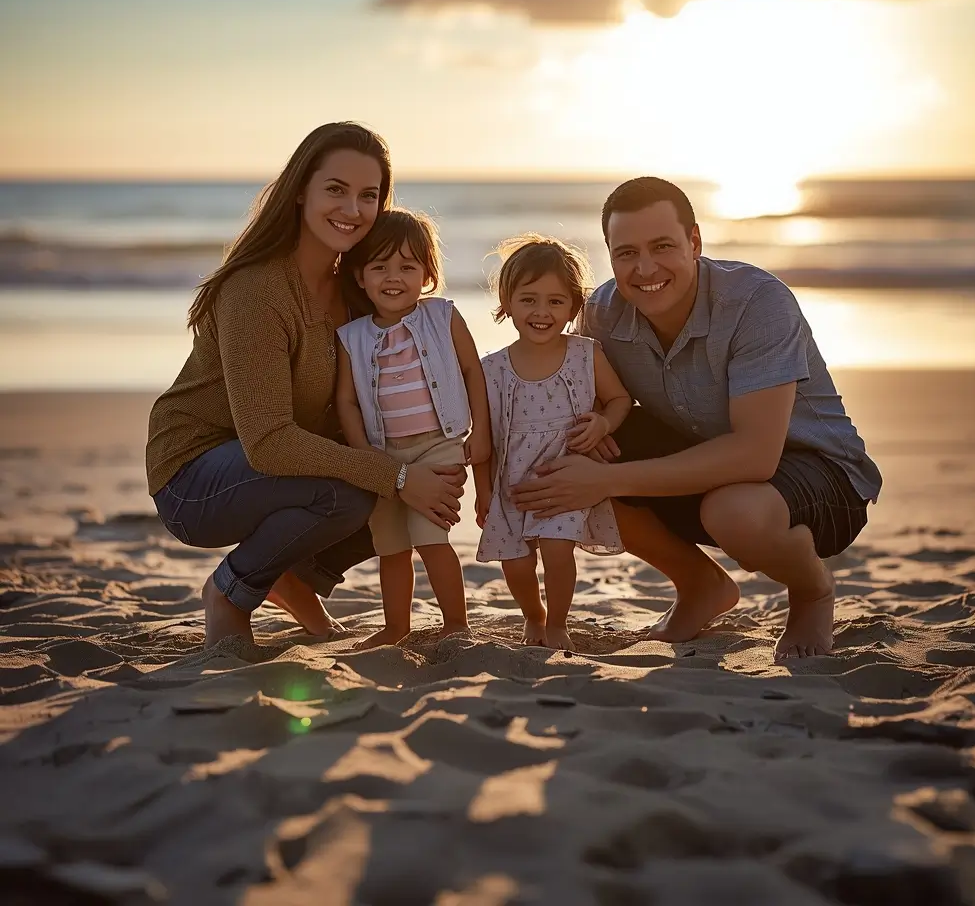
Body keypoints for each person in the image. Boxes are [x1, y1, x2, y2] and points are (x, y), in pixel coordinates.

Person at [511, 178, 882, 661]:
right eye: (626, 253)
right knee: (576, 446)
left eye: (662, 246)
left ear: (695, 242)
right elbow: (567, 404)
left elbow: (755, 454)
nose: (645, 269)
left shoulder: (755, 302)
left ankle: (812, 591)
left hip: (823, 475)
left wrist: (605, 480)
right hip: (708, 463)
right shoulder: (602, 314)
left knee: (731, 511)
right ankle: (699, 585)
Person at [146, 123, 465, 648]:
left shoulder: (357, 289)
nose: (353, 209)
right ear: (300, 192)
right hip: (195, 477)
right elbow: (269, 442)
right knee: (362, 486)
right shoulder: (257, 291)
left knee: (387, 480)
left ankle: (291, 580)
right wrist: (401, 476)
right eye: (335, 189)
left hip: (267, 464)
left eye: (369, 196)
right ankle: (231, 591)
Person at [335, 208, 490, 648]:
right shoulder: (353, 336)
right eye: (380, 266)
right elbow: (346, 399)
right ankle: (396, 626)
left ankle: (456, 624)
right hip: (383, 455)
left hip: (438, 444)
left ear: (427, 274)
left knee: (429, 535)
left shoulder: (442, 317)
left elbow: (471, 371)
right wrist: (361, 451)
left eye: (407, 266)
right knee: (390, 545)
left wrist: (480, 431)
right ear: (360, 277)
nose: (394, 276)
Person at [477, 236, 631, 651]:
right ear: (506, 301)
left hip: (565, 476)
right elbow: (485, 437)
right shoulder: (491, 369)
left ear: (573, 307)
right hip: (512, 483)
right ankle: (534, 614)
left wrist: (603, 423)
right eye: (528, 300)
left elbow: (620, 400)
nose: (541, 312)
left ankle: (559, 623)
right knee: (516, 563)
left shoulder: (585, 354)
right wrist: (483, 490)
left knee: (558, 552)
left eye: (555, 302)